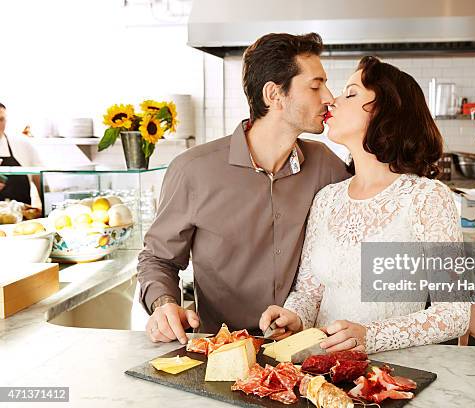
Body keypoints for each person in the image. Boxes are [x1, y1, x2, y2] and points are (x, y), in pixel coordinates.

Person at [259, 56, 475, 353]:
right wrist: (294, 316)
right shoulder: (327, 199)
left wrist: (369, 337)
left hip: (393, 377)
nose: (333, 101)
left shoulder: (428, 198)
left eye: (351, 93)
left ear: (386, 111)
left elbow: (454, 314)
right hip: (321, 372)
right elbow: (310, 292)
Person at [137, 33, 351, 344]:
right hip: (219, 352)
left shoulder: (325, 165)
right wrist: (164, 305)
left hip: (304, 352)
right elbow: (158, 259)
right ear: (274, 94)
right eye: (316, 86)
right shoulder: (192, 171)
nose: (329, 97)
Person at [0, 102, 42, 205]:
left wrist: (49, 211)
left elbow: (41, 181)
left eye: (1, 119)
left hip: (23, 218)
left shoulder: (23, 145)